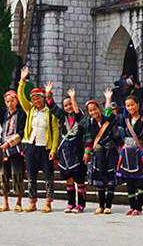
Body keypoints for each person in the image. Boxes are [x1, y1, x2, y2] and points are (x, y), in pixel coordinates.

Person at [16, 67, 59, 214]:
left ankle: (48, 203)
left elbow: (55, 131)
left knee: (48, 176)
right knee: (31, 176)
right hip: (31, 146)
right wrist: (22, 81)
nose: (36, 101)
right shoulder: (30, 110)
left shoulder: (49, 112)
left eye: (39, 98)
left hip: (45, 147)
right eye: (33, 99)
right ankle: (32, 202)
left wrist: (53, 149)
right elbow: (20, 97)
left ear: (44, 98)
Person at [0, 72, 26, 212]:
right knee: (3, 174)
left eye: (12, 101)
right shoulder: (4, 114)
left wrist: (10, 143)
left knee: (17, 173)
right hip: (2, 147)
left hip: (15, 148)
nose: (10, 104)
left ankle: (19, 202)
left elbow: (21, 132)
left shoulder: (21, 114)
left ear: (17, 101)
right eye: (7, 101)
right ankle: (6, 202)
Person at [51, 85, 87, 213]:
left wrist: (73, 98)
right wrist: (49, 93)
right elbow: (53, 109)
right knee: (69, 180)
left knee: (80, 180)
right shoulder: (63, 118)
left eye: (70, 104)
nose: (68, 107)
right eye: (66, 105)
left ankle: (81, 204)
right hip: (65, 152)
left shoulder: (80, 116)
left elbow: (79, 118)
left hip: (77, 151)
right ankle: (71, 203)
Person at [116, 94, 143, 215]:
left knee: (141, 182)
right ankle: (132, 206)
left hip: (139, 153)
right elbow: (109, 118)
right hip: (127, 153)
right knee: (129, 181)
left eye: (132, 104)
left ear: (138, 105)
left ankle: (139, 207)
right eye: (128, 106)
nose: (130, 107)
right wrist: (108, 101)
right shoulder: (124, 120)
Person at [84, 94, 120, 214]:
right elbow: (88, 139)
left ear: (99, 109)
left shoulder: (107, 120)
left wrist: (108, 99)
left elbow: (109, 113)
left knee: (110, 181)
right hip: (98, 153)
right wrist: (87, 152)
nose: (93, 112)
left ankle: (108, 205)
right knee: (100, 181)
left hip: (110, 153)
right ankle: (101, 205)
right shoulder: (90, 124)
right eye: (90, 110)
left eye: (95, 109)